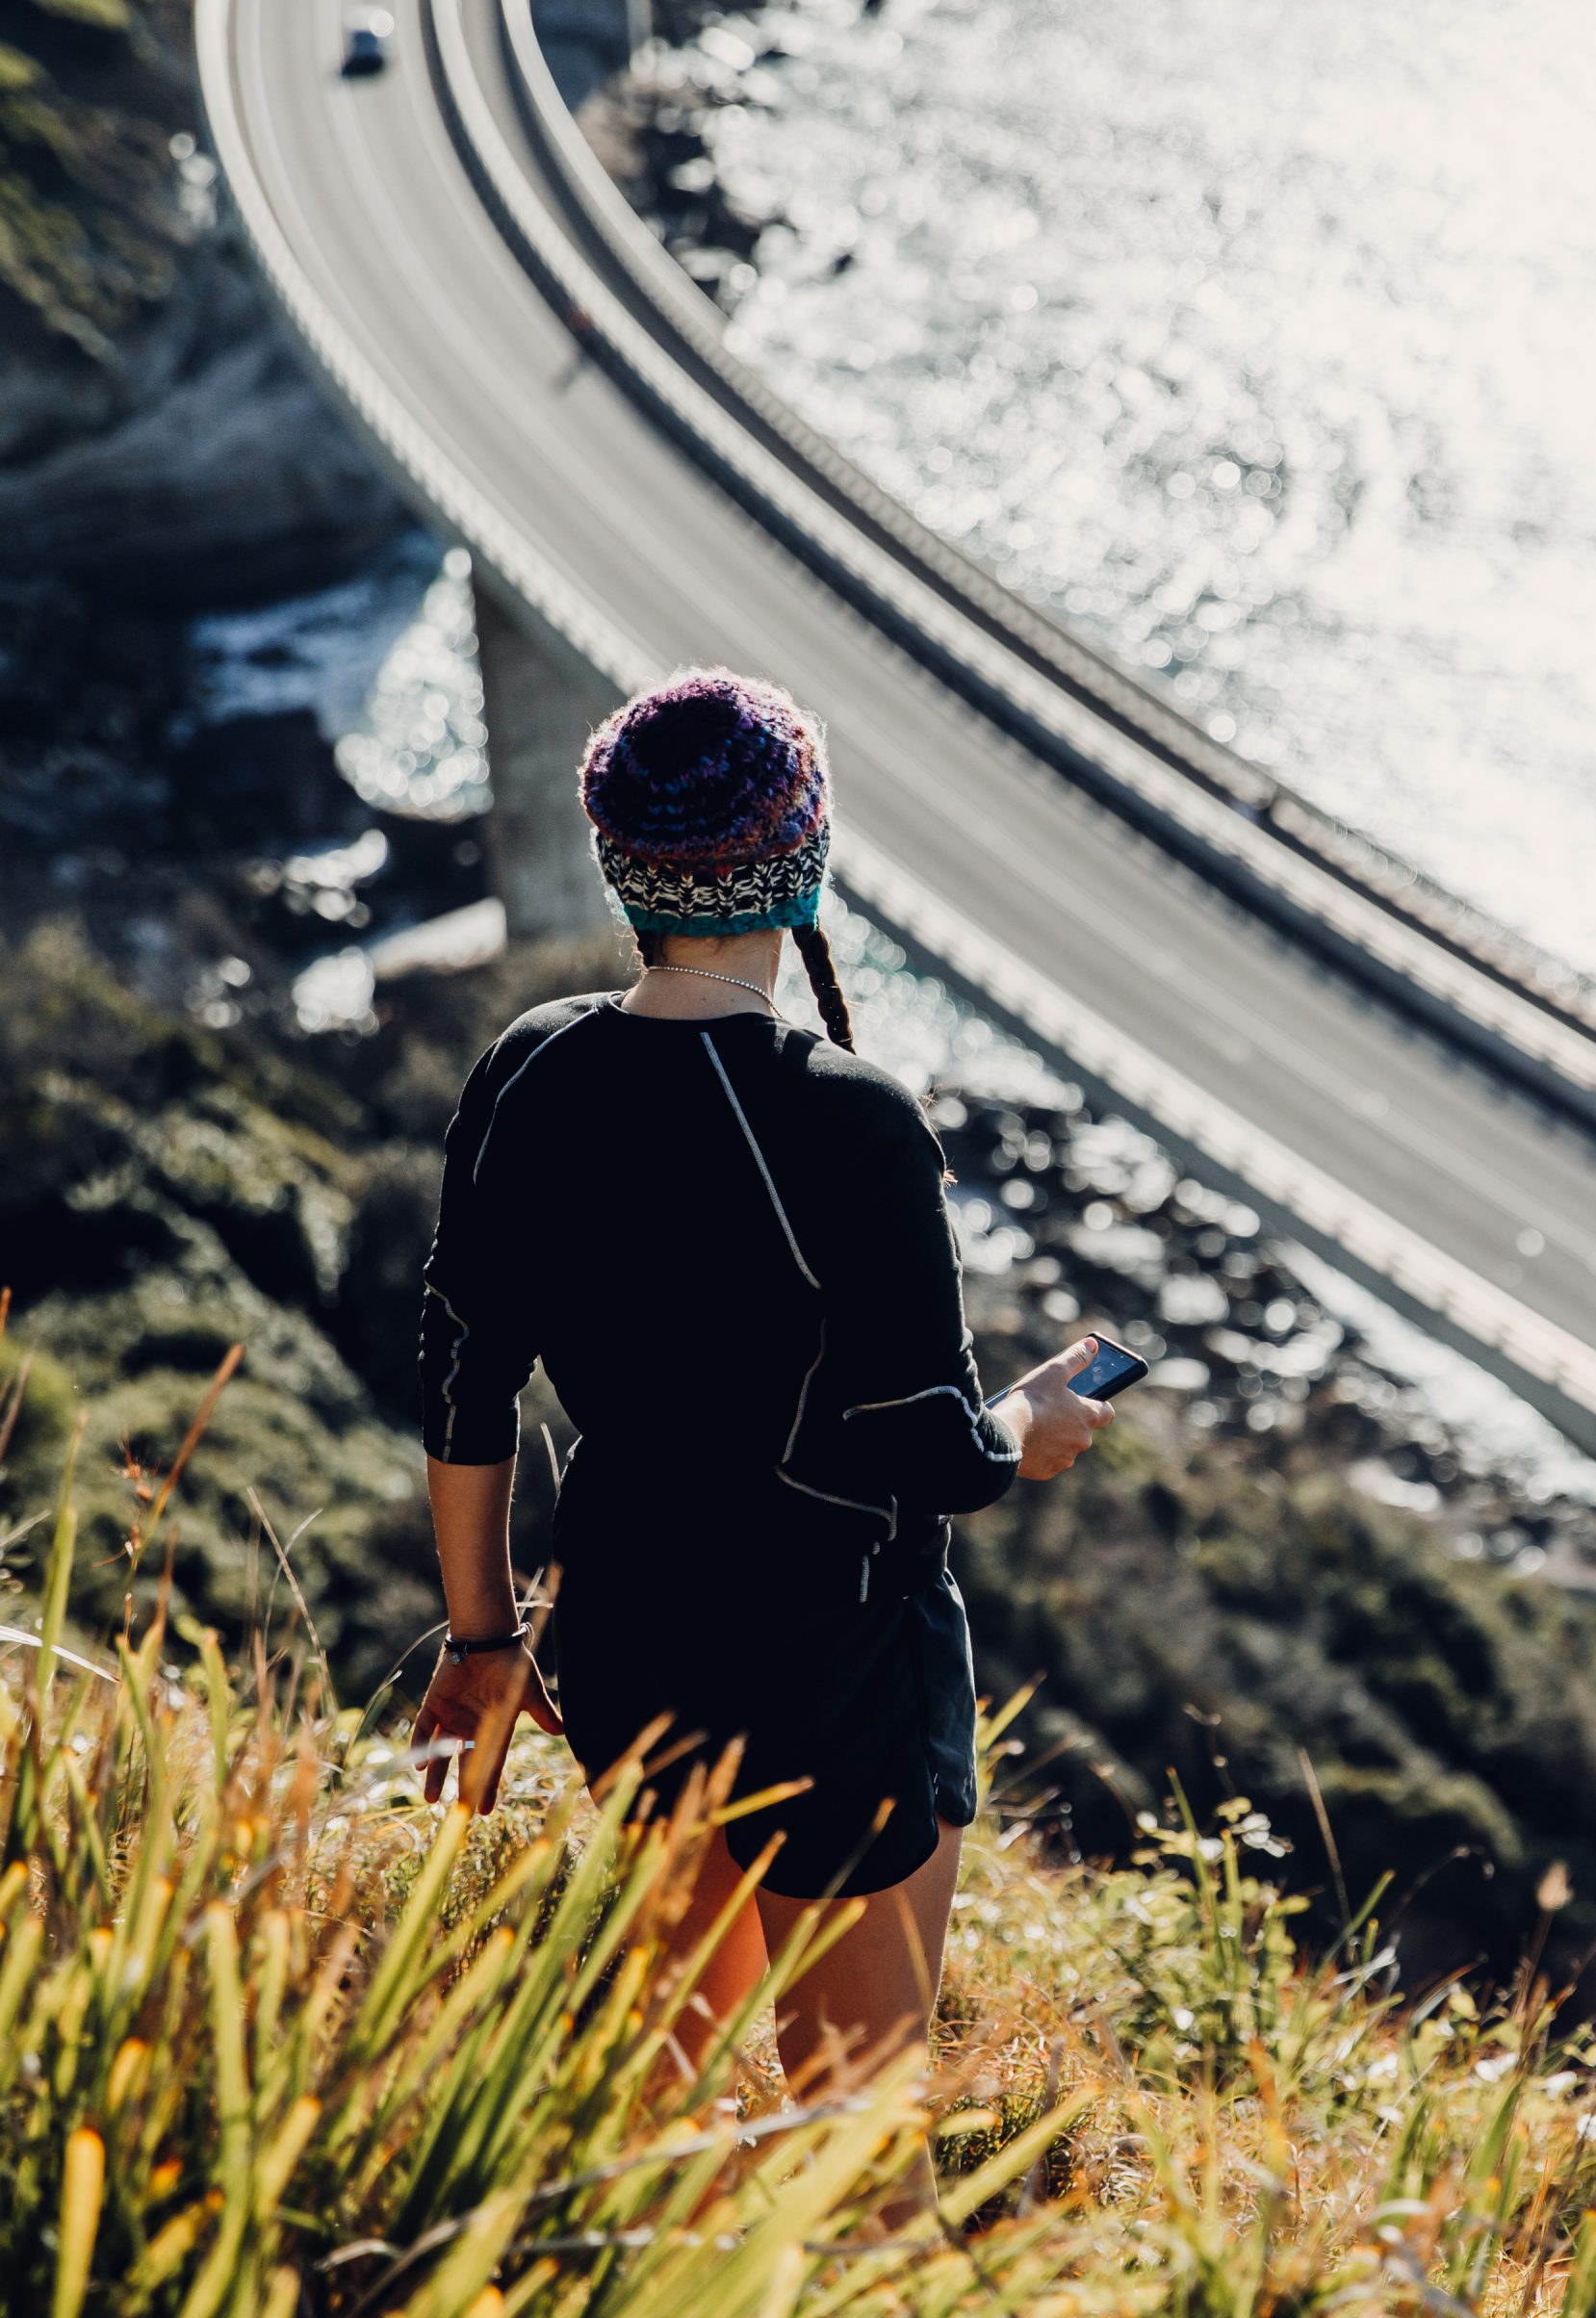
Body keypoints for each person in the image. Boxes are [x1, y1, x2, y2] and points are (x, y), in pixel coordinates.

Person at [409, 666, 1108, 2180]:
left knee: (660, 2108)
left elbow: (467, 1373)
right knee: (857, 2161)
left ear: (623, 866)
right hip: (832, 1661)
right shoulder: (846, 1113)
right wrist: (1030, 1428)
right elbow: (928, 1443)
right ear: (802, 859)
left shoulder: (530, 1066)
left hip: (623, 1632)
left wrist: (479, 1643)